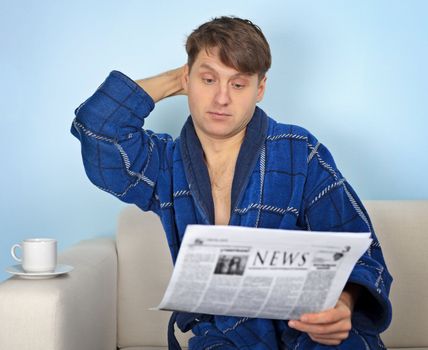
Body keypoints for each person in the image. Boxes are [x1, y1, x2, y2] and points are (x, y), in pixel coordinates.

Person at [71, 16, 392, 349]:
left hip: (309, 329)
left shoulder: (300, 151)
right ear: (187, 79)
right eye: (208, 79)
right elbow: (97, 128)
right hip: (225, 336)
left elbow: (360, 249)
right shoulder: (165, 163)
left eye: (238, 84)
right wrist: (174, 80)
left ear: (260, 89)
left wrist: (343, 304)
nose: (222, 98)